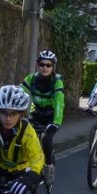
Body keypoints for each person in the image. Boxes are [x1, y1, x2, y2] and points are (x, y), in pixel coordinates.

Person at [21, 50, 64, 183]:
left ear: (53, 67)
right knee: (22, 137)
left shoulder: (57, 82)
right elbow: (19, 96)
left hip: (51, 116)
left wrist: (56, 122)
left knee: (46, 139)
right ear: (38, 65)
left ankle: (49, 166)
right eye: (42, 64)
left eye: (48, 65)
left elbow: (59, 103)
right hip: (36, 113)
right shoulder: (31, 79)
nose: (45, 67)